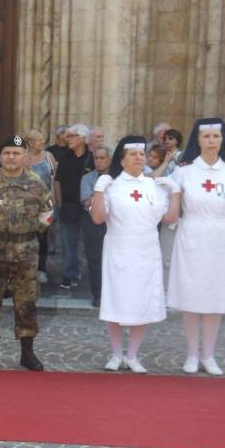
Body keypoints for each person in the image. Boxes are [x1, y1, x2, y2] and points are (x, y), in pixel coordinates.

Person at [89, 136, 181, 373]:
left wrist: (175, 192)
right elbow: (98, 218)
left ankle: (133, 355)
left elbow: (170, 218)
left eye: (142, 154)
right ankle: (116, 353)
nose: (139, 158)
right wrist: (100, 188)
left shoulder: (154, 186)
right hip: (119, 247)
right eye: (133, 154)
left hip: (147, 248)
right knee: (116, 298)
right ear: (121, 160)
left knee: (143, 299)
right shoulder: (113, 185)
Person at [167, 118, 225, 375]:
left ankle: (209, 355)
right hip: (192, 234)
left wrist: (220, 219)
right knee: (192, 296)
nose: (211, 142)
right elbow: (173, 205)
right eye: (206, 137)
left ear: (222, 140)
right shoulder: (184, 171)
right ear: (198, 141)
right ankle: (192, 355)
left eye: (216, 137)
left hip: (221, 237)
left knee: (215, 297)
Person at [0, 134, 53, 371]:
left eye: (16, 153)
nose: (12, 157)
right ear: (0, 157)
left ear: (25, 156)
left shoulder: (38, 184)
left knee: (26, 302)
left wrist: (32, 231)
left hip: (25, 251)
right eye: (7, 153)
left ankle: (27, 352)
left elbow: (47, 213)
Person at [54, 123, 91, 290]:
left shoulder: (91, 158)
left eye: (71, 136)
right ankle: (70, 274)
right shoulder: (65, 157)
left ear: (82, 139)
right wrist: (60, 204)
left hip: (87, 208)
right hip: (68, 207)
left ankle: (91, 275)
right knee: (68, 243)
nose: (67, 139)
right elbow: (57, 181)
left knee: (87, 243)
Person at [79, 143, 112, 307]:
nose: (99, 161)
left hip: (114, 223)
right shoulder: (87, 178)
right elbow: (86, 202)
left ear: (110, 159)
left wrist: (97, 197)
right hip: (93, 223)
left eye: (102, 158)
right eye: (96, 158)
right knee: (95, 260)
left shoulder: (118, 177)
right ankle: (98, 294)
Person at [25, 129, 56, 284]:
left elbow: (55, 178)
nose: (42, 143)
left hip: (45, 203)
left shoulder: (49, 157)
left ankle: (41, 269)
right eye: (39, 140)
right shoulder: (23, 157)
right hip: (26, 204)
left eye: (43, 140)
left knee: (42, 237)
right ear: (30, 142)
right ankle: (26, 269)